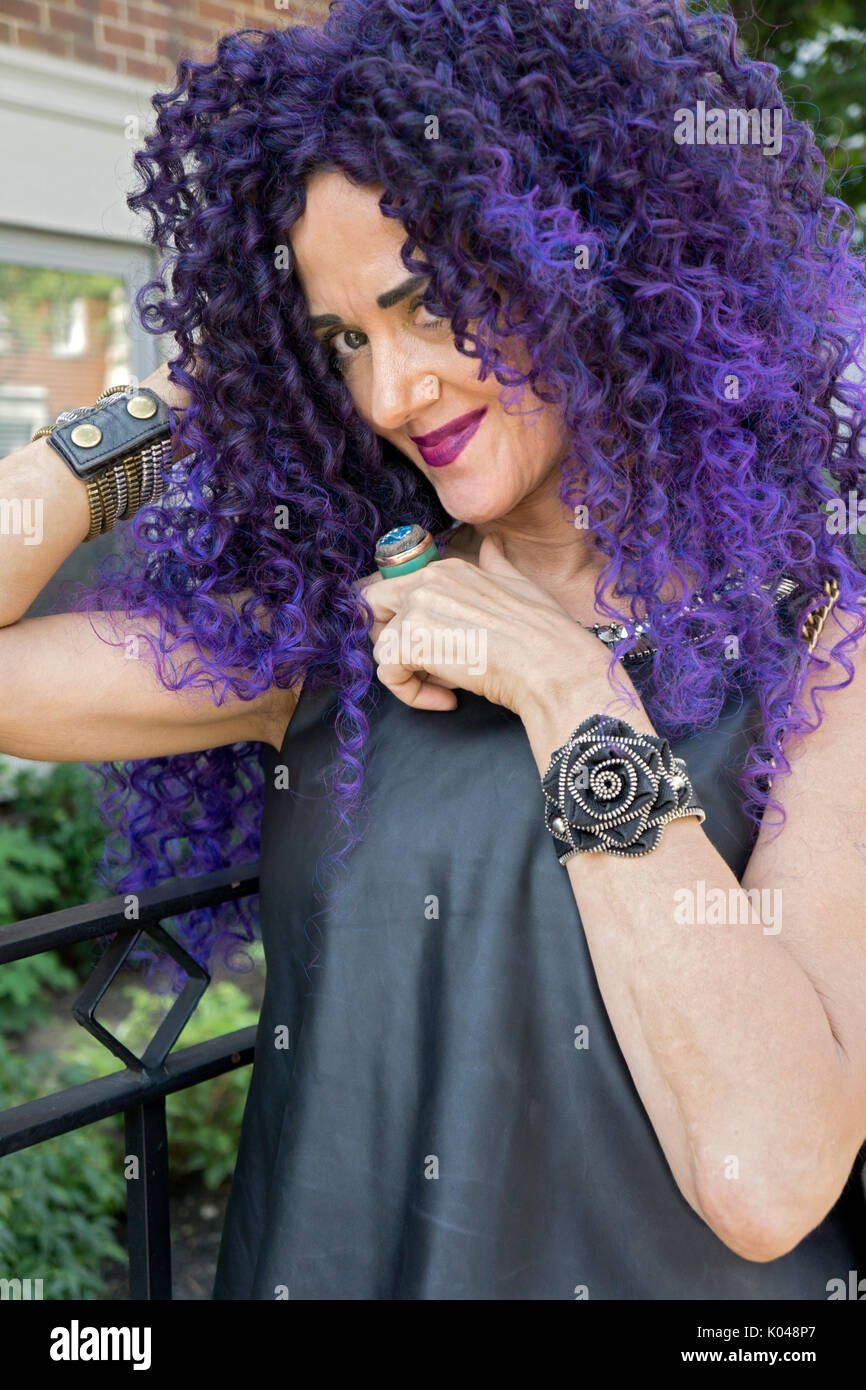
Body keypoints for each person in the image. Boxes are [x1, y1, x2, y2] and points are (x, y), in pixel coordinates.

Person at [2, 0, 866, 1300]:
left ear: (594, 258)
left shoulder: (817, 638)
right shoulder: (339, 625)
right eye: (341, 338)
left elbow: (765, 1173)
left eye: (427, 306)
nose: (388, 393)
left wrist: (565, 684)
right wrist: (186, 397)